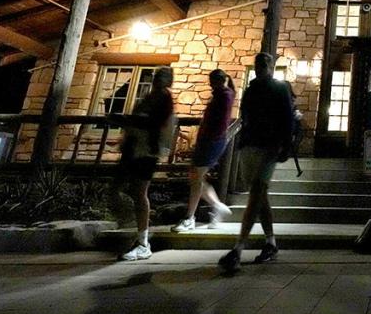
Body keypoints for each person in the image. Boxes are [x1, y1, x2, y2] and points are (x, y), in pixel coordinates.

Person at [218, 53, 294, 274]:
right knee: (259, 195)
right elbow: (245, 117)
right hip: (251, 145)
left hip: (269, 147)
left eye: (264, 63)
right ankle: (271, 242)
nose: (260, 67)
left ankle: (237, 249)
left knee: (257, 192)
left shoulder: (280, 89)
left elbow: (287, 119)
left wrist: (285, 146)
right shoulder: (250, 91)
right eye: (258, 64)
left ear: (271, 66)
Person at [118, 66, 175, 261]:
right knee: (131, 190)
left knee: (139, 192)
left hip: (147, 151)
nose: (158, 79)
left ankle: (143, 242)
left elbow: (154, 123)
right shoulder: (151, 97)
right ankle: (138, 235)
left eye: (162, 76)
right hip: (136, 148)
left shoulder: (163, 100)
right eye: (157, 76)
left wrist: (131, 120)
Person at [172, 69, 235, 232]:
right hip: (208, 141)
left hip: (212, 141)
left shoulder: (224, 96)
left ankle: (189, 218)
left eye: (211, 81)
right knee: (196, 176)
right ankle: (217, 206)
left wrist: (208, 139)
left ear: (215, 81)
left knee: (196, 177)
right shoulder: (222, 95)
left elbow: (218, 123)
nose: (210, 84)